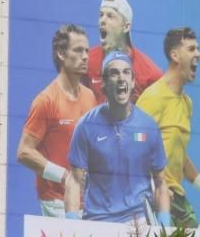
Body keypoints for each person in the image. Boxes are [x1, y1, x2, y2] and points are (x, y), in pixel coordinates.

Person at [137, 26, 200, 228]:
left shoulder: (187, 104)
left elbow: (179, 156)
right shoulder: (152, 97)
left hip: (177, 196)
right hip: (153, 195)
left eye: (198, 49)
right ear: (175, 55)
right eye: (191, 49)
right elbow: (133, 145)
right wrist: (154, 187)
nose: (198, 53)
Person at [65, 50, 170, 225]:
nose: (121, 78)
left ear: (132, 81)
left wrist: (165, 221)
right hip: (97, 221)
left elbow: (160, 182)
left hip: (139, 221)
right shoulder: (86, 126)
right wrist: (71, 223)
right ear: (104, 84)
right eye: (114, 73)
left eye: (126, 72)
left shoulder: (148, 127)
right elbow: (75, 180)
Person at [17, 23, 96, 217]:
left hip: (87, 202)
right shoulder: (46, 100)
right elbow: (24, 152)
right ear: (61, 54)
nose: (85, 56)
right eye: (78, 50)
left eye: (86, 50)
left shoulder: (90, 97)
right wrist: (63, 176)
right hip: (56, 203)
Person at [83, 0, 161, 104]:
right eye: (101, 15)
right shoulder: (87, 61)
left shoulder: (151, 75)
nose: (102, 20)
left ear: (126, 27)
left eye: (110, 16)